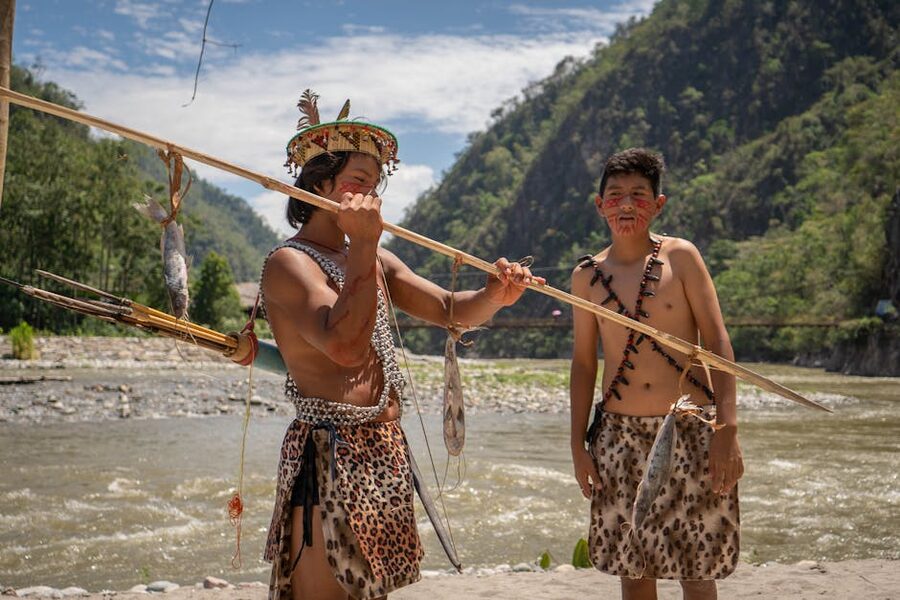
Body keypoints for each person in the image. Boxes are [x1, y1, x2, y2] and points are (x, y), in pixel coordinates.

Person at [259, 90, 541, 600]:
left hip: (383, 448)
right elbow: (344, 347)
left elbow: (452, 310)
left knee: (373, 593)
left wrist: (497, 295)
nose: (372, 197)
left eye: (375, 185)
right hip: (331, 449)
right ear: (320, 184)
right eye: (357, 183)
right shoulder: (290, 263)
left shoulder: (374, 260)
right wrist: (364, 244)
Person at [569, 148, 743, 600]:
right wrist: (576, 445)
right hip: (619, 435)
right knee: (635, 566)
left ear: (658, 204)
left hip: (690, 428)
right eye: (616, 195)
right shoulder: (586, 278)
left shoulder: (681, 257)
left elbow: (718, 343)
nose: (626, 206)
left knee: (698, 563)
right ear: (599, 204)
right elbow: (585, 364)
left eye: (638, 196)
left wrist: (727, 429)